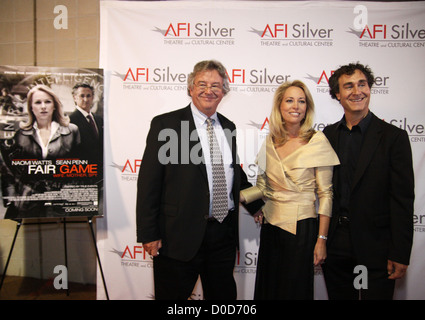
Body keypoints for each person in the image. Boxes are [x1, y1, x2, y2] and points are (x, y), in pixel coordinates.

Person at [136, 60, 264, 300]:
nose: (209, 90)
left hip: (222, 236)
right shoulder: (166, 125)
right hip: (178, 236)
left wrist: (260, 204)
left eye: (216, 85)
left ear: (223, 92)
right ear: (190, 89)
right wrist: (148, 233)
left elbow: (234, 174)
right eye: (202, 84)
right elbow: (148, 183)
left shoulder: (229, 126)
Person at [322, 62, 415, 300]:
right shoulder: (327, 136)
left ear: (370, 88)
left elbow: (402, 200)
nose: (357, 91)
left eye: (362, 84)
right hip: (336, 244)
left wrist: (400, 252)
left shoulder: (394, 137)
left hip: (377, 248)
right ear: (337, 95)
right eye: (349, 86)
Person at [240, 80, 339, 299]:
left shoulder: (317, 140)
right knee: (269, 289)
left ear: (307, 108)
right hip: (271, 226)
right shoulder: (271, 140)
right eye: (290, 100)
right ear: (280, 106)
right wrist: (238, 193)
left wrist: (321, 240)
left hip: (302, 228)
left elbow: (325, 194)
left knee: (294, 292)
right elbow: (263, 187)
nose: (296, 106)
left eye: (301, 101)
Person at [1, 84, 80, 218]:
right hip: (29, 203)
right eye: (38, 102)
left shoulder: (72, 131)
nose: (43, 106)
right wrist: (11, 197)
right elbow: (9, 170)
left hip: (61, 201)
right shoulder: (21, 134)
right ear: (31, 107)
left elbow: (81, 167)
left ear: (54, 105)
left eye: (47, 102)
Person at [69, 83, 103, 167]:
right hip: (81, 170)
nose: (86, 99)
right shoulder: (70, 120)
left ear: (92, 98)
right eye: (82, 96)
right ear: (75, 97)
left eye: (88, 96)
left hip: (98, 169)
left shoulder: (99, 119)